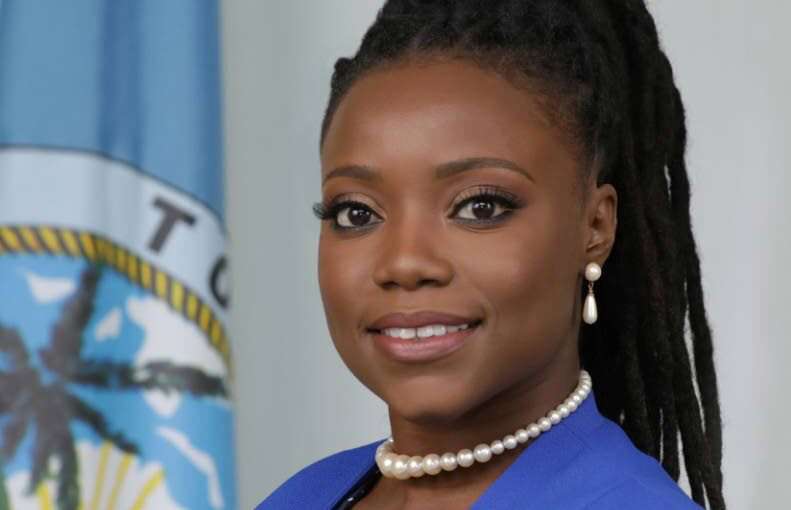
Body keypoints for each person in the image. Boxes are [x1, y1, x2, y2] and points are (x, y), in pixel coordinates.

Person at [257, 0, 725, 508]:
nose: (404, 263)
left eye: (480, 207)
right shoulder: (301, 498)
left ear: (595, 227)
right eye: (356, 213)